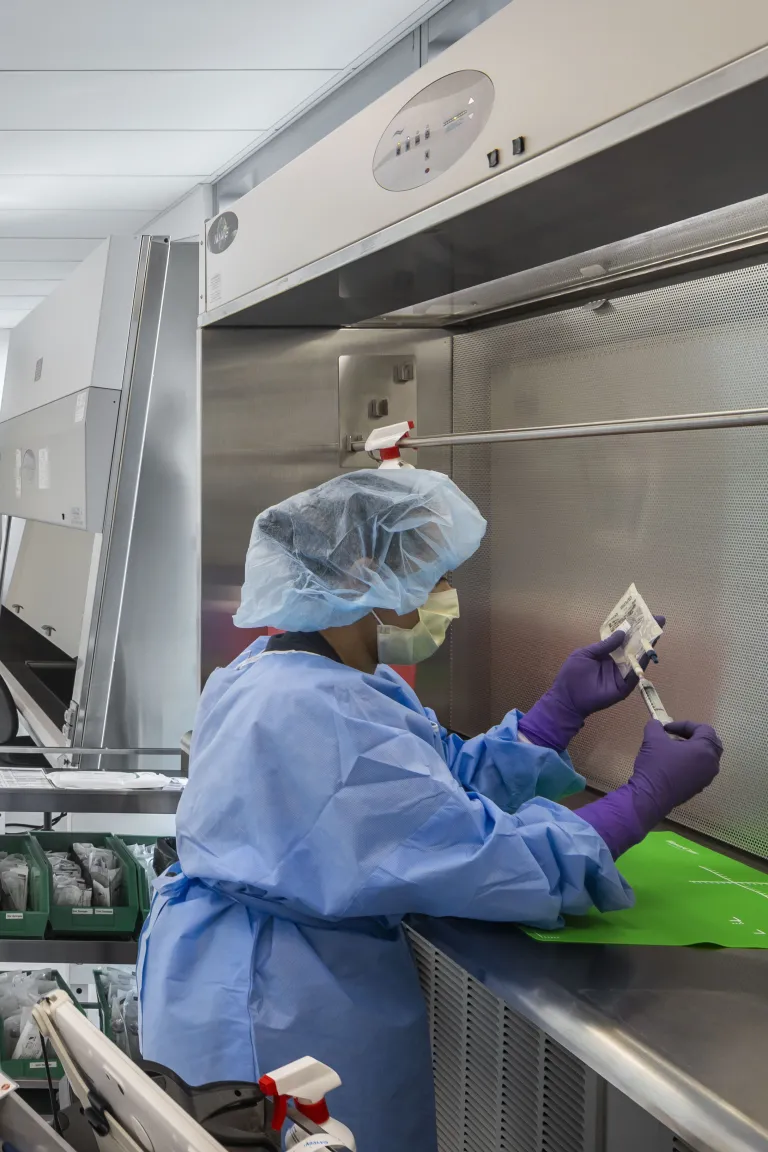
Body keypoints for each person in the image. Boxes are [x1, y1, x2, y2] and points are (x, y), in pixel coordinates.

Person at [138, 468, 722, 1152]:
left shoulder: (288, 672)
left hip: (236, 976)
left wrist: (553, 719)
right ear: (363, 574)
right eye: (430, 568)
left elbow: (433, 781)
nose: (444, 590)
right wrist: (642, 799)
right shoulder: (318, 710)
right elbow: (486, 857)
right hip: (273, 1009)